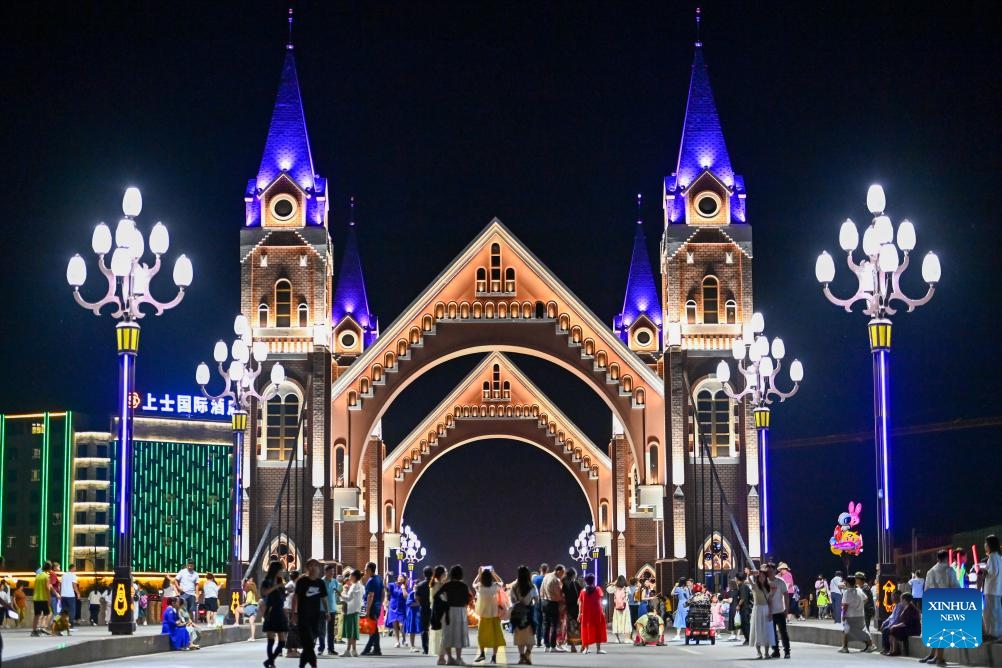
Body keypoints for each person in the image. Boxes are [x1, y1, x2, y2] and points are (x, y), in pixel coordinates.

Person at [920, 549, 960, 666]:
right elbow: (955, 587)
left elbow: (926, 590)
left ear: (937, 558)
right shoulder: (949, 570)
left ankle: (933, 654)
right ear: (947, 558)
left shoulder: (930, 571)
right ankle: (939, 657)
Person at [291, 559, 326, 668]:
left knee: (309, 645)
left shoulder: (320, 582)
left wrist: (327, 611)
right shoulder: (302, 581)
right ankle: (314, 665)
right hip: (303, 616)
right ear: (307, 568)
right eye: (311, 566)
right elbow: (295, 598)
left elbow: (324, 598)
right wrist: (294, 613)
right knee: (309, 643)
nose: (313, 568)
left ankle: (302, 665)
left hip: (315, 617)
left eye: (315, 566)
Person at [438, 564, 472, 666]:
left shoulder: (446, 585)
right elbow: (468, 599)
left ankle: (449, 658)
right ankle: (458, 658)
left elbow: (439, 596)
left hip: (448, 611)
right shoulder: (464, 586)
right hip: (460, 611)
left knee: (447, 634)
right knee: (459, 634)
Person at [838, 573, 876, 653]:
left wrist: (843, 615)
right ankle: (870, 645)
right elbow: (866, 599)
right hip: (860, 615)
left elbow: (845, 606)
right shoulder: (859, 590)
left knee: (846, 630)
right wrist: (860, 606)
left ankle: (845, 647)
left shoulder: (846, 592)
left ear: (848, 583)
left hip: (850, 615)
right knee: (863, 630)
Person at [260, 562, 289, 668]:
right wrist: (276, 586)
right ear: (276, 570)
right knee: (271, 640)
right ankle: (271, 663)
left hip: (280, 611)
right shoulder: (267, 582)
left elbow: (281, 597)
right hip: (271, 611)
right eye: (281, 570)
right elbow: (264, 593)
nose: (282, 572)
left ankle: (269, 661)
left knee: (282, 642)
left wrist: (286, 592)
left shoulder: (281, 583)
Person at [474, 567, 504, 664]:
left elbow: (473, 584)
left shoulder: (480, 587)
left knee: (482, 636)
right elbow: (501, 582)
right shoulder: (494, 587)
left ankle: (482, 653)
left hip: (483, 616)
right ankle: (494, 657)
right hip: (494, 615)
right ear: (490, 577)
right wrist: (494, 574)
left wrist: (479, 574)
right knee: (496, 636)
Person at [510, 565, 539, 665]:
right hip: (529, 612)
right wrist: (530, 603)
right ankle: (527, 654)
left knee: (520, 637)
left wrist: (518, 603)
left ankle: (522, 656)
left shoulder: (514, 587)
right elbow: (537, 600)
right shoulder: (532, 586)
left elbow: (512, 600)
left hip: (518, 614)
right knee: (530, 637)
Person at [576, 573, 606, 654]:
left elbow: (580, 603)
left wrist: (579, 614)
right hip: (597, 613)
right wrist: (603, 611)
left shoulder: (583, 591)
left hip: (586, 614)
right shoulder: (598, 589)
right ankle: (598, 649)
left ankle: (586, 649)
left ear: (585, 581)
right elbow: (600, 601)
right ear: (593, 580)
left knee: (586, 630)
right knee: (597, 629)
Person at [749, 569, 776, 659]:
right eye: (760, 576)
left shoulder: (768, 587)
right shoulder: (755, 586)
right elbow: (749, 579)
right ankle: (759, 652)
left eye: (763, 576)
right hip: (757, 609)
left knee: (767, 631)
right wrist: (750, 574)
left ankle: (767, 652)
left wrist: (771, 612)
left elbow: (770, 601)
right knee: (758, 630)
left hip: (766, 609)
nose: (762, 578)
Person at [539, 563, 565, 652]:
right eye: (562, 572)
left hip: (544, 602)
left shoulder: (546, 576)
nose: (563, 575)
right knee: (554, 625)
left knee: (546, 625)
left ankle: (546, 646)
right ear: (558, 571)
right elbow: (558, 595)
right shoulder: (555, 580)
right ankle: (553, 646)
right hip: (552, 603)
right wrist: (562, 599)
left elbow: (541, 590)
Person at [360, 562, 384, 657]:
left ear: (370, 569)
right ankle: (376, 649)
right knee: (374, 629)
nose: (365, 570)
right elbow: (383, 592)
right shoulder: (379, 578)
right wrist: (381, 603)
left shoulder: (371, 581)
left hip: (372, 607)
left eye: (366, 569)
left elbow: (370, 596)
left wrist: (368, 610)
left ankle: (368, 649)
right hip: (377, 607)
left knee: (372, 630)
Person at [767, 564, 790, 659]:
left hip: (780, 611)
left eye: (770, 571)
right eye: (767, 571)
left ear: (774, 571)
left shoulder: (780, 582)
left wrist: (787, 609)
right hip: (769, 612)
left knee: (783, 632)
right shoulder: (765, 582)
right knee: (772, 633)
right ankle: (776, 651)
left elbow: (786, 595)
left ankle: (787, 651)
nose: (769, 572)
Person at [982, 534, 1002, 640]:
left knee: (990, 613)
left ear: (989, 544)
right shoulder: (999, 557)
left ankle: (991, 633)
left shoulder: (992, 557)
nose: (985, 545)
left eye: (986, 543)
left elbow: (993, 572)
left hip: (991, 590)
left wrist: (984, 571)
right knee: (997, 612)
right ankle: (997, 632)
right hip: (998, 589)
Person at [318, 564, 340, 656]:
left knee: (331, 630)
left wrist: (338, 593)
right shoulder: (321, 581)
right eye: (330, 572)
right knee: (321, 630)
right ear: (325, 572)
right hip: (322, 608)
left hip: (332, 608)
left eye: (333, 572)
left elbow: (337, 593)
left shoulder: (335, 581)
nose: (332, 573)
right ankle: (321, 648)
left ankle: (331, 649)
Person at [428, 565, 449, 663]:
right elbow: (443, 599)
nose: (447, 574)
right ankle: (441, 657)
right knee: (443, 634)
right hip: (441, 613)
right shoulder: (439, 585)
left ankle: (441, 656)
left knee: (439, 634)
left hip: (436, 612)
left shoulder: (434, 584)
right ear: (441, 574)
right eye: (445, 572)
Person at [341, 569, 363, 658]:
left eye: (350, 575)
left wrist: (341, 594)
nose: (349, 577)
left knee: (350, 632)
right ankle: (353, 650)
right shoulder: (360, 585)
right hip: (356, 610)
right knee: (353, 632)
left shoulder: (354, 586)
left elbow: (348, 598)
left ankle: (348, 650)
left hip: (351, 610)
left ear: (354, 577)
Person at [561, 567, 582, 652]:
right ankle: (581, 646)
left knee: (570, 627)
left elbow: (562, 595)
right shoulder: (575, 583)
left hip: (568, 607)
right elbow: (580, 595)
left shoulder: (564, 584)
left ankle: (572, 646)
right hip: (576, 607)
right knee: (577, 627)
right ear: (573, 575)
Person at [415, 565, 434, 655]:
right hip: (434, 608)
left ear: (424, 574)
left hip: (424, 608)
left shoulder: (420, 585)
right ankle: (434, 646)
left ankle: (425, 648)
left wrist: (420, 605)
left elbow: (417, 597)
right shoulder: (435, 583)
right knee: (435, 627)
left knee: (424, 629)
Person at [32, 562, 55, 637]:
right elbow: (47, 588)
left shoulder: (38, 576)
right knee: (48, 613)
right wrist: (49, 598)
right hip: (43, 598)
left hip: (36, 598)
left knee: (37, 615)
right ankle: (43, 627)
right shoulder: (46, 576)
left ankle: (34, 630)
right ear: (49, 568)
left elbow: (35, 587)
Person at [385, 574, 408, 648]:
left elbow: (406, 597)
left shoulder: (405, 586)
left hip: (401, 607)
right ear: (397, 578)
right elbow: (385, 586)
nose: (401, 578)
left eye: (402, 578)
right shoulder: (392, 585)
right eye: (399, 577)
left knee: (401, 625)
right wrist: (385, 576)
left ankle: (404, 639)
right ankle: (397, 642)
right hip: (393, 607)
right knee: (395, 625)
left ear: (404, 579)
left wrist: (403, 588)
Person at [606, 575, 631, 643]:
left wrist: (613, 583)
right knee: (626, 621)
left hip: (617, 607)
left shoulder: (614, 588)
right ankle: (627, 639)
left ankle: (617, 639)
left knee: (616, 622)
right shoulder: (627, 588)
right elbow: (630, 593)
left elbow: (608, 589)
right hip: (625, 607)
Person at [59, 563, 80, 629]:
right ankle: (71, 625)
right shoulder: (73, 575)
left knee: (63, 610)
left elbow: (60, 585)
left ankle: (61, 624)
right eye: (75, 568)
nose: (75, 569)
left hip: (63, 595)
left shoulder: (63, 575)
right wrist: (78, 593)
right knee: (72, 611)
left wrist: (60, 593)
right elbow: (74, 585)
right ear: (72, 568)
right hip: (70, 595)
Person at [531, 564, 547, 649]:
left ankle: (538, 642)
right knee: (546, 622)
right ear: (547, 569)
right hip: (545, 601)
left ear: (540, 569)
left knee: (538, 622)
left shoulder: (534, 579)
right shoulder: (546, 578)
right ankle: (546, 640)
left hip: (537, 601)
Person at [405, 580, 423, 653]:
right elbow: (409, 603)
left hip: (419, 613)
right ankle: (412, 646)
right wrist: (418, 602)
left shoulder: (421, 593)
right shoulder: (412, 594)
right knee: (412, 629)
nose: (416, 587)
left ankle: (425, 645)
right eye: (415, 585)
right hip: (412, 613)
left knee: (423, 629)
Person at [735, 572, 752, 645]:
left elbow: (742, 598)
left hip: (745, 608)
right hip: (745, 608)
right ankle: (747, 639)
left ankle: (749, 639)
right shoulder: (742, 586)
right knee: (744, 624)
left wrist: (738, 605)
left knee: (745, 624)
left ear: (737, 578)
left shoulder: (742, 586)